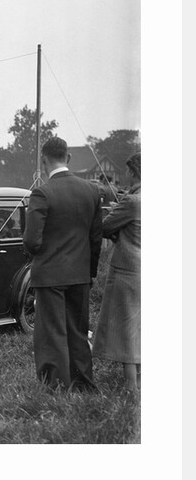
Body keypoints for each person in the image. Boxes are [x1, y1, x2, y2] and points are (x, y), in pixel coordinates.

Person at [23, 137, 103, 391]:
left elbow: (31, 242)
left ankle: (58, 387)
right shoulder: (92, 190)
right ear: (68, 158)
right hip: (80, 275)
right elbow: (96, 238)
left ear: (43, 161)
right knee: (78, 331)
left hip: (50, 276)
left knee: (52, 333)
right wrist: (88, 272)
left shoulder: (42, 193)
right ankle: (84, 384)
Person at [92, 153, 141, 392]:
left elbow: (105, 227)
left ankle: (131, 386)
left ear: (133, 172)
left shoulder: (132, 201)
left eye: (128, 171)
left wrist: (115, 216)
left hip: (129, 271)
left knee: (126, 328)